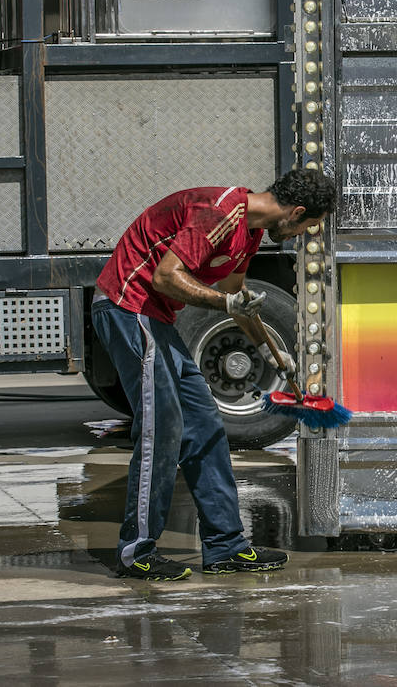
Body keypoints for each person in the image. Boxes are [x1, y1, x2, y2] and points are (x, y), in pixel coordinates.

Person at [92, 169, 338, 580]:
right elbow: (165, 276)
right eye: (306, 227)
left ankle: (226, 546)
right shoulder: (220, 212)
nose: (299, 237)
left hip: (156, 320)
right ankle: (136, 551)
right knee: (161, 429)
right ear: (295, 212)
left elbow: (237, 297)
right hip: (127, 309)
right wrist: (227, 305)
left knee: (205, 425)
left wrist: (272, 351)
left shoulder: (250, 233)